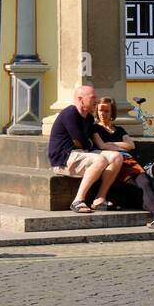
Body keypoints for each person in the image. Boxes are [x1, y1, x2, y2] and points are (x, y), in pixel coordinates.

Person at [94, 96, 154, 230]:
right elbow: (101, 145)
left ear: (112, 113)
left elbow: (131, 145)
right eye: (100, 110)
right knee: (137, 189)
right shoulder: (95, 129)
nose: (103, 114)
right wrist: (119, 146)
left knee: (145, 182)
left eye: (106, 111)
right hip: (117, 165)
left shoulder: (119, 129)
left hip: (131, 163)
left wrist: (111, 143)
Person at [48, 84, 123, 214]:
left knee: (117, 157)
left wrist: (84, 143)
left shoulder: (88, 118)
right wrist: (84, 143)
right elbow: (81, 141)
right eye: (93, 97)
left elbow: (86, 143)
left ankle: (99, 199)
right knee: (100, 160)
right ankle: (78, 200)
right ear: (80, 99)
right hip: (63, 158)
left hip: (82, 154)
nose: (97, 100)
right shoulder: (70, 113)